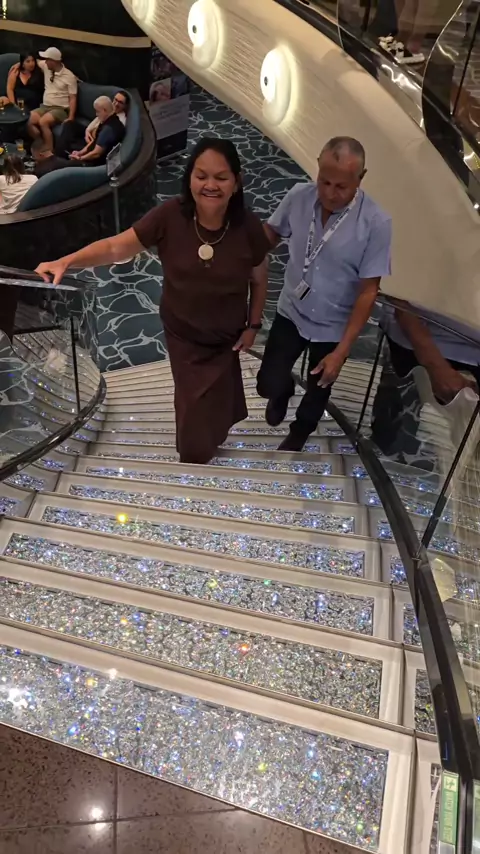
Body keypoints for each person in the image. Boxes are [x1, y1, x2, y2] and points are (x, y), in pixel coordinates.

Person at [34, 137, 270, 463]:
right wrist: (67, 261)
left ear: (236, 182)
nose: (210, 185)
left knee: (218, 397)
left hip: (226, 336)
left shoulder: (248, 226)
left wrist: (253, 325)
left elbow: (259, 278)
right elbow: (116, 247)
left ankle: (214, 437)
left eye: (221, 177)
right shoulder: (170, 216)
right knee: (192, 408)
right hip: (184, 335)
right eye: (201, 175)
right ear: (189, 178)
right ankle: (195, 460)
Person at [257, 136, 392, 452]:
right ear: (317, 168)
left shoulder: (376, 223)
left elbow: (368, 291)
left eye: (341, 186)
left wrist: (342, 351)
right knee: (267, 383)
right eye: (324, 181)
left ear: (361, 178)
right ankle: (282, 391)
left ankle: (300, 432)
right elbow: (271, 234)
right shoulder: (298, 197)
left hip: (334, 325)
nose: (330, 193)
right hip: (292, 310)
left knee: (318, 390)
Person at [371, 300, 480, 458]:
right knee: (396, 436)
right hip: (429, 343)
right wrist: (435, 365)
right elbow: (400, 299)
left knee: (467, 450)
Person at [27, 47, 78, 151]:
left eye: (47, 60)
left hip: (60, 109)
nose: (45, 62)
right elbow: (35, 62)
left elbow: (73, 98)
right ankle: (39, 142)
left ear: (54, 61)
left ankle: (49, 148)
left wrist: (71, 117)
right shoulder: (46, 67)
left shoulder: (69, 77)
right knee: (27, 119)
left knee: (43, 122)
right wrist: (18, 65)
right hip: (45, 106)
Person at [67, 96, 125, 165]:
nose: (96, 114)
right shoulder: (111, 120)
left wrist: (80, 158)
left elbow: (96, 154)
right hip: (90, 157)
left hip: (94, 164)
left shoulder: (108, 130)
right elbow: (94, 142)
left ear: (105, 110)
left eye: (98, 111)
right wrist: (80, 153)